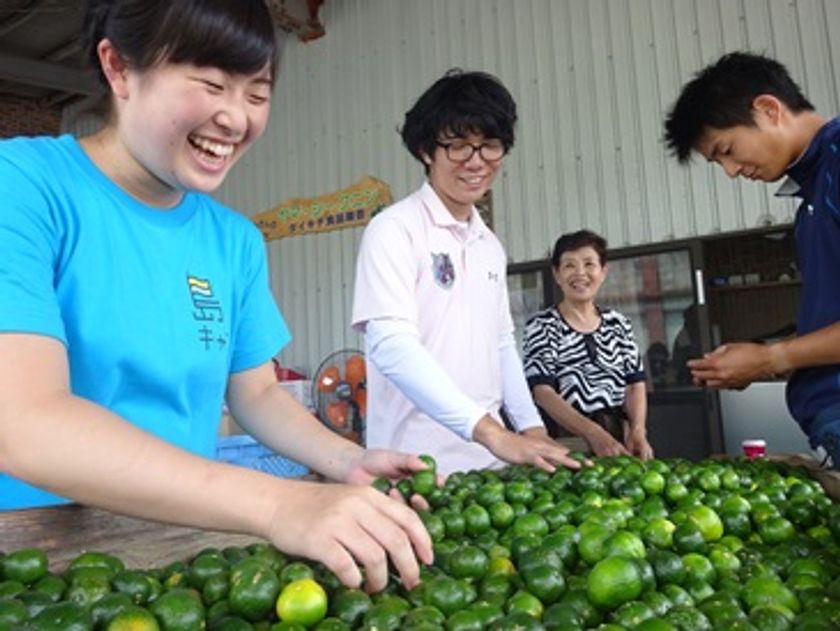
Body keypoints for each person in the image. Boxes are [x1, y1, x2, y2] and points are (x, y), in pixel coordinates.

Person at [0, 0, 433, 593]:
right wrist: (279, 505)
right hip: (31, 562)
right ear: (119, 68)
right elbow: (24, 423)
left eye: (257, 94)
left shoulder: (234, 241)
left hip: (180, 556)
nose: (235, 118)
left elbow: (254, 392)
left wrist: (344, 462)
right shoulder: (22, 188)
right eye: (211, 85)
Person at [351, 69, 580, 476]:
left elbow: (502, 343)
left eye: (490, 146)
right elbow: (391, 345)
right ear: (426, 150)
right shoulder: (395, 229)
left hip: (490, 466)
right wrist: (493, 432)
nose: (476, 162)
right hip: (415, 466)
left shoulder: (489, 246)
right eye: (458, 147)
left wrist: (530, 427)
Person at [663, 51, 840, 466]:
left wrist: (769, 359)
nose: (730, 171)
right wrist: (763, 358)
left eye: (727, 149)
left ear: (768, 109)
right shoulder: (812, 195)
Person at [523, 230, 654, 459]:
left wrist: (638, 431)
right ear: (556, 274)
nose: (580, 273)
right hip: (567, 444)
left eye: (589, 264)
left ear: (603, 272)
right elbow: (542, 392)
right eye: (569, 265)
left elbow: (635, 385)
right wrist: (592, 433)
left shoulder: (619, 324)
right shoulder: (542, 325)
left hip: (619, 440)